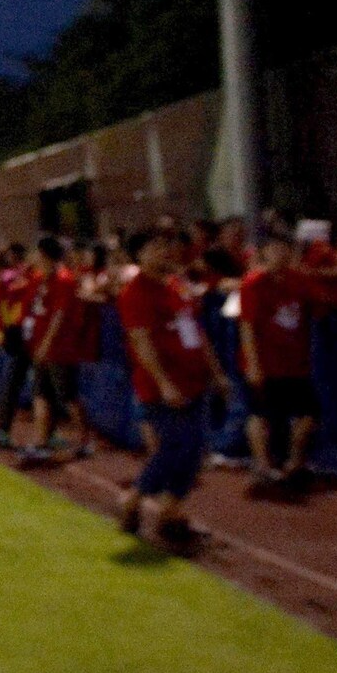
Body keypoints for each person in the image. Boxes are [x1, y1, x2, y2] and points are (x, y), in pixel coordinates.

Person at [116, 226, 215, 545]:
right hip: (161, 386)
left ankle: (170, 512)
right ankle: (134, 499)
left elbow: (196, 329)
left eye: (165, 245)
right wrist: (164, 382)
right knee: (175, 446)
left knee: (194, 449)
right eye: (155, 246)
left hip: (193, 379)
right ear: (139, 255)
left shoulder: (177, 285)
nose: (164, 251)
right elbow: (141, 341)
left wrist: (215, 370)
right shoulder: (135, 293)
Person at [236, 227, 327, 492]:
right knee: (260, 413)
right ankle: (263, 466)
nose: (281, 254)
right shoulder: (254, 283)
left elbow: (320, 303)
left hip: (295, 361)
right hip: (265, 360)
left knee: (308, 414)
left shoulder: (299, 280)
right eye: (275, 249)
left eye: (285, 249)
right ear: (264, 252)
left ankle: (294, 463)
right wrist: (253, 364)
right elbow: (247, 325)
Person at [25, 236, 92, 459]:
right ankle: (41, 441)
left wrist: (46, 343)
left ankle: (84, 440)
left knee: (68, 395)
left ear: (44, 255)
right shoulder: (39, 278)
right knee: (40, 393)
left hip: (61, 348)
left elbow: (59, 315)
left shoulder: (63, 280)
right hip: (41, 345)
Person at [0, 243, 38, 448]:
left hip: (35, 335)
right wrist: (2, 330)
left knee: (45, 388)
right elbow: (3, 299)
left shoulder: (35, 276)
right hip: (18, 334)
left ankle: (47, 434)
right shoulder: (12, 276)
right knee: (12, 382)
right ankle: (2, 431)